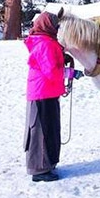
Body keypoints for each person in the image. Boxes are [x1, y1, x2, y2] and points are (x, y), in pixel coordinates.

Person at [23, 11, 67, 182]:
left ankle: (47, 164)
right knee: (41, 131)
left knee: (49, 129)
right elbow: (52, 72)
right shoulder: (46, 44)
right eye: (56, 25)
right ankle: (39, 169)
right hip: (43, 93)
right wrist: (69, 72)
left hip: (46, 92)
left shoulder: (45, 41)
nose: (57, 28)